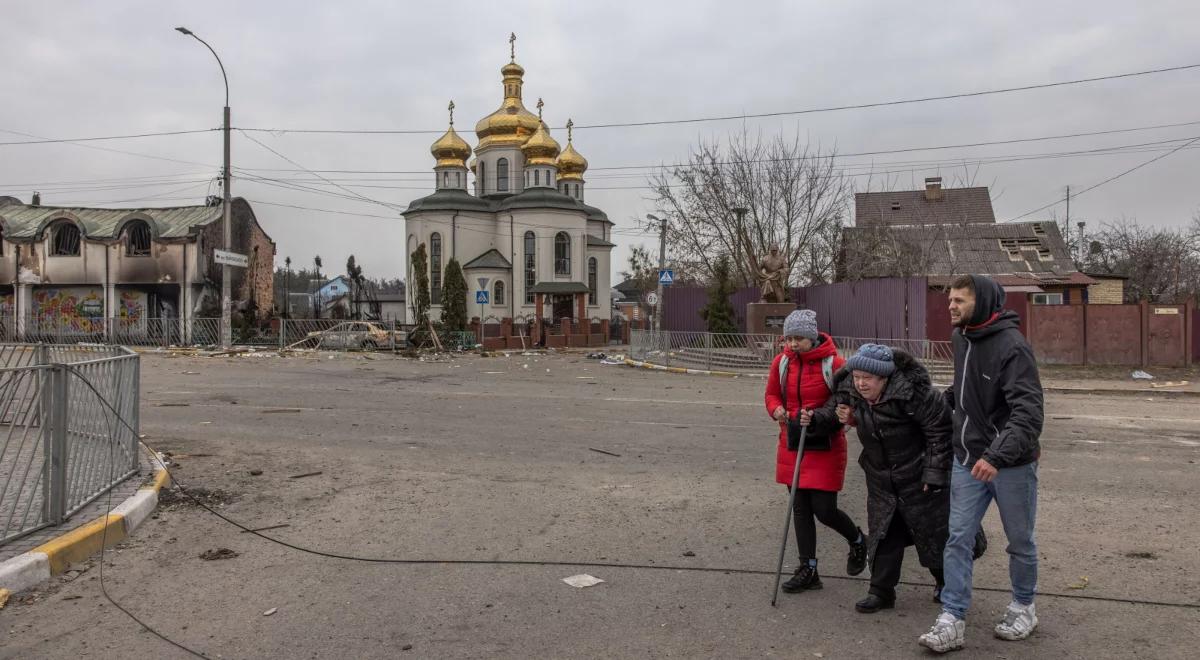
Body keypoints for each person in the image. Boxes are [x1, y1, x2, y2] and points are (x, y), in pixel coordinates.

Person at [919, 274, 1044, 654]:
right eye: (950, 300)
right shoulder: (962, 338)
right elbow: (966, 388)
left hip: (1011, 465)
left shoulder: (1012, 347)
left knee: (1020, 542)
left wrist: (997, 455)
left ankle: (1024, 606)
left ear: (984, 302)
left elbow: (1028, 413)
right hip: (967, 460)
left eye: (959, 300)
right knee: (957, 538)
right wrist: (942, 403)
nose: (951, 307)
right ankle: (952, 617)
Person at [803, 343, 953, 614]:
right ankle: (881, 591)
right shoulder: (850, 390)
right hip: (881, 478)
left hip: (917, 476)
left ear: (885, 378)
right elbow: (831, 413)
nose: (860, 383)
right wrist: (814, 419)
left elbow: (939, 433)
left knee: (931, 533)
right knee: (884, 534)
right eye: (857, 376)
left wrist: (935, 472)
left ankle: (945, 582)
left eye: (867, 379)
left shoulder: (917, 396)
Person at [764, 309, 866, 593]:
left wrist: (819, 416)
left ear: (812, 337)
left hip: (825, 443)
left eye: (799, 338)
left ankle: (858, 540)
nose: (793, 344)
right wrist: (777, 410)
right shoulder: (781, 363)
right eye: (789, 338)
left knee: (824, 510)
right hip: (792, 441)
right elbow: (771, 394)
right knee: (800, 508)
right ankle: (808, 568)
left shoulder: (835, 364)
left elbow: (844, 400)